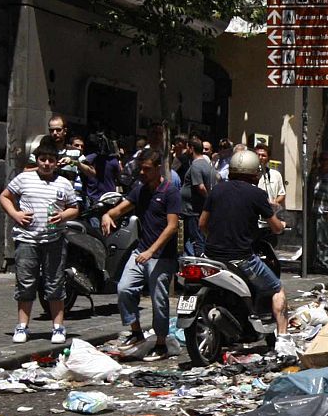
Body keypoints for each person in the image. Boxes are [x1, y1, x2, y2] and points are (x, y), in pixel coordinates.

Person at [201, 149, 289, 347]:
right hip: (241, 259)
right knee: (277, 289)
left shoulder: (216, 190)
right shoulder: (257, 194)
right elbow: (275, 227)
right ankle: (284, 340)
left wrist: (215, 238)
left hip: (211, 255)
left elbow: (202, 224)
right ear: (254, 173)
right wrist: (282, 226)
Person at [101, 148, 182, 360]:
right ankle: (136, 331)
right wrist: (108, 216)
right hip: (141, 251)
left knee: (159, 301)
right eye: (140, 169)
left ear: (157, 168)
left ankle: (161, 344)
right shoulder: (141, 190)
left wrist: (151, 251)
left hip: (161, 255)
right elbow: (120, 209)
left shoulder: (170, 192)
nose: (142, 173)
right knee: (124, 288)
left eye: (146, 169)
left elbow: (172, 226)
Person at [0, 136, 79, 344]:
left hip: (54, 239)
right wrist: (15, 215)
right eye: (43, 159)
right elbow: (4, 197)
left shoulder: (64, 183)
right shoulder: (24, 179)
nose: (46, 163)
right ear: (37, 159)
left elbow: (74, 208)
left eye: (51, 160)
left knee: (54, 284)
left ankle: (58, 327)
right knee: (25, 283)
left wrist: (63, 216)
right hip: (27, 240)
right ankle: (22, 326)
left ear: (56, 162)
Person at [182, 139, 216, 256]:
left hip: (192, 211)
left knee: (197, 241)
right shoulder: (207, 165)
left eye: (187, 148)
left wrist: (209, 202)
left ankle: (200, 265)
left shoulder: (196, 165)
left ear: (191, 148)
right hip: (196, 211)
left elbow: (200, 187)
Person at [253, 143, 285, 209]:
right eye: (257, 155)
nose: (260, 157)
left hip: (269, 212)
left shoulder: (276, 174)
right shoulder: (247, 174)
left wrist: (274, 202)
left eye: (263, 155)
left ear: (268, 158)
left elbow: (282, 194)